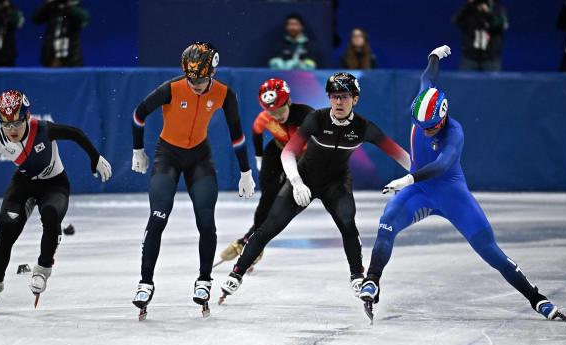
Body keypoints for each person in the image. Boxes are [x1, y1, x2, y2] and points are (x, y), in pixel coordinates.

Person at [357, 45, 566, 323]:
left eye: (431, 126)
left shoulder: (454, 132)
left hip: (450, 194)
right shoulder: (425, 101)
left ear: (443, 117)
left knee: (490, 251)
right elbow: (428, 76)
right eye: (420, 125)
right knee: (386, 224)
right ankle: (373, 280)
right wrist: (433, 56)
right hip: (420, 192)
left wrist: (408, 178)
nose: (425, 130)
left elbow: (442, 166)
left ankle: (536, 297)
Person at [219, 72, 411, 304]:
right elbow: (288, 152)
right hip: (306, 178)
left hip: (336, 183)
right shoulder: (317, 119)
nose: (339, 102)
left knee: (348, 223)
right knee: (270, 225)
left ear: (355, 99)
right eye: (334, 97)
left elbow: (400, 155)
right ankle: (237, 272)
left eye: (344, 96)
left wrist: (415, 176)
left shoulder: (364, 128)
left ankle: (357, 275)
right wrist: (297, 182)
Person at [130, 41, 255, 319]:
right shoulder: (172, 88)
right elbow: (139, 114)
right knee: (158, 218)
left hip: (200, 158)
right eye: (191, 78)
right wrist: (138, 149)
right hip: (168, 156)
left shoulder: (225, 94)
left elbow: (237, 134)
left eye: (200, 79)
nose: (195, 84)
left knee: (206, 222)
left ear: (213, 71)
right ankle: (145, 282)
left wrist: (246, 171)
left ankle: (204, 279)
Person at [0, 89, 112, 311]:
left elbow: (76, 133)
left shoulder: (43, 129)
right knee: (7, 228)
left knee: (50, 215)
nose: (11, 130)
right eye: (5, 124)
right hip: (24, 185)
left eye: (16, 124)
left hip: (55, 185)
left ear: (27, 117)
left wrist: (95, 157)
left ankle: (42, 269)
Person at [219, 78, 314, 271]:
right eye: (271, 112)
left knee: (282, 203)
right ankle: (254, 242)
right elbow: (256, 134)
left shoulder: (307, 116)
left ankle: (248, 240)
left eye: (279, 110)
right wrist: (259, 157)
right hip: (277, 151)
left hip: (304, 157)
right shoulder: (264, 118)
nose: (276, 116)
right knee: (267, 198)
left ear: (288, 102)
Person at [453, 0, 508, 71]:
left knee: (492, 81)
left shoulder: (497, 9)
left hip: (491, 58)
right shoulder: (469, 10)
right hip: (469, 57)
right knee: (466, 81)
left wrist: (488, 13)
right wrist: (468, 5)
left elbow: (502, 24)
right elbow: (456, 20)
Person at [32, 0, 89, 67]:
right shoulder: (52, 7)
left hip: (72, 57)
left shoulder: (75, 7)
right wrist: (49, 3)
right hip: (50, 55)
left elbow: (84, 19)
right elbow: (36, 19)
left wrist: (68, 6)